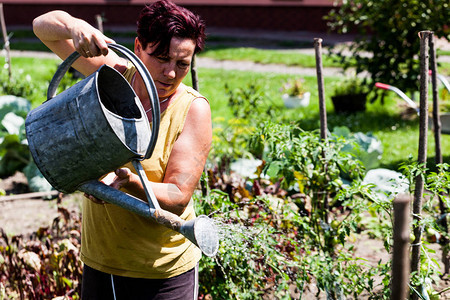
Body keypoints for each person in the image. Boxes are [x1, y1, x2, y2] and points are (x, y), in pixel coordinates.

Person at [33, 1, 211, 298]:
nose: (170, 73)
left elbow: (178, 196)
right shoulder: (115, 75)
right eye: (161, 58)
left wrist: (128, 183)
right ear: (139, 47)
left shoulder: (192, 110)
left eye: (182, 64)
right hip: (101, 259)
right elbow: (42, 26)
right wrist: (76, 26)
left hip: (161, 271)